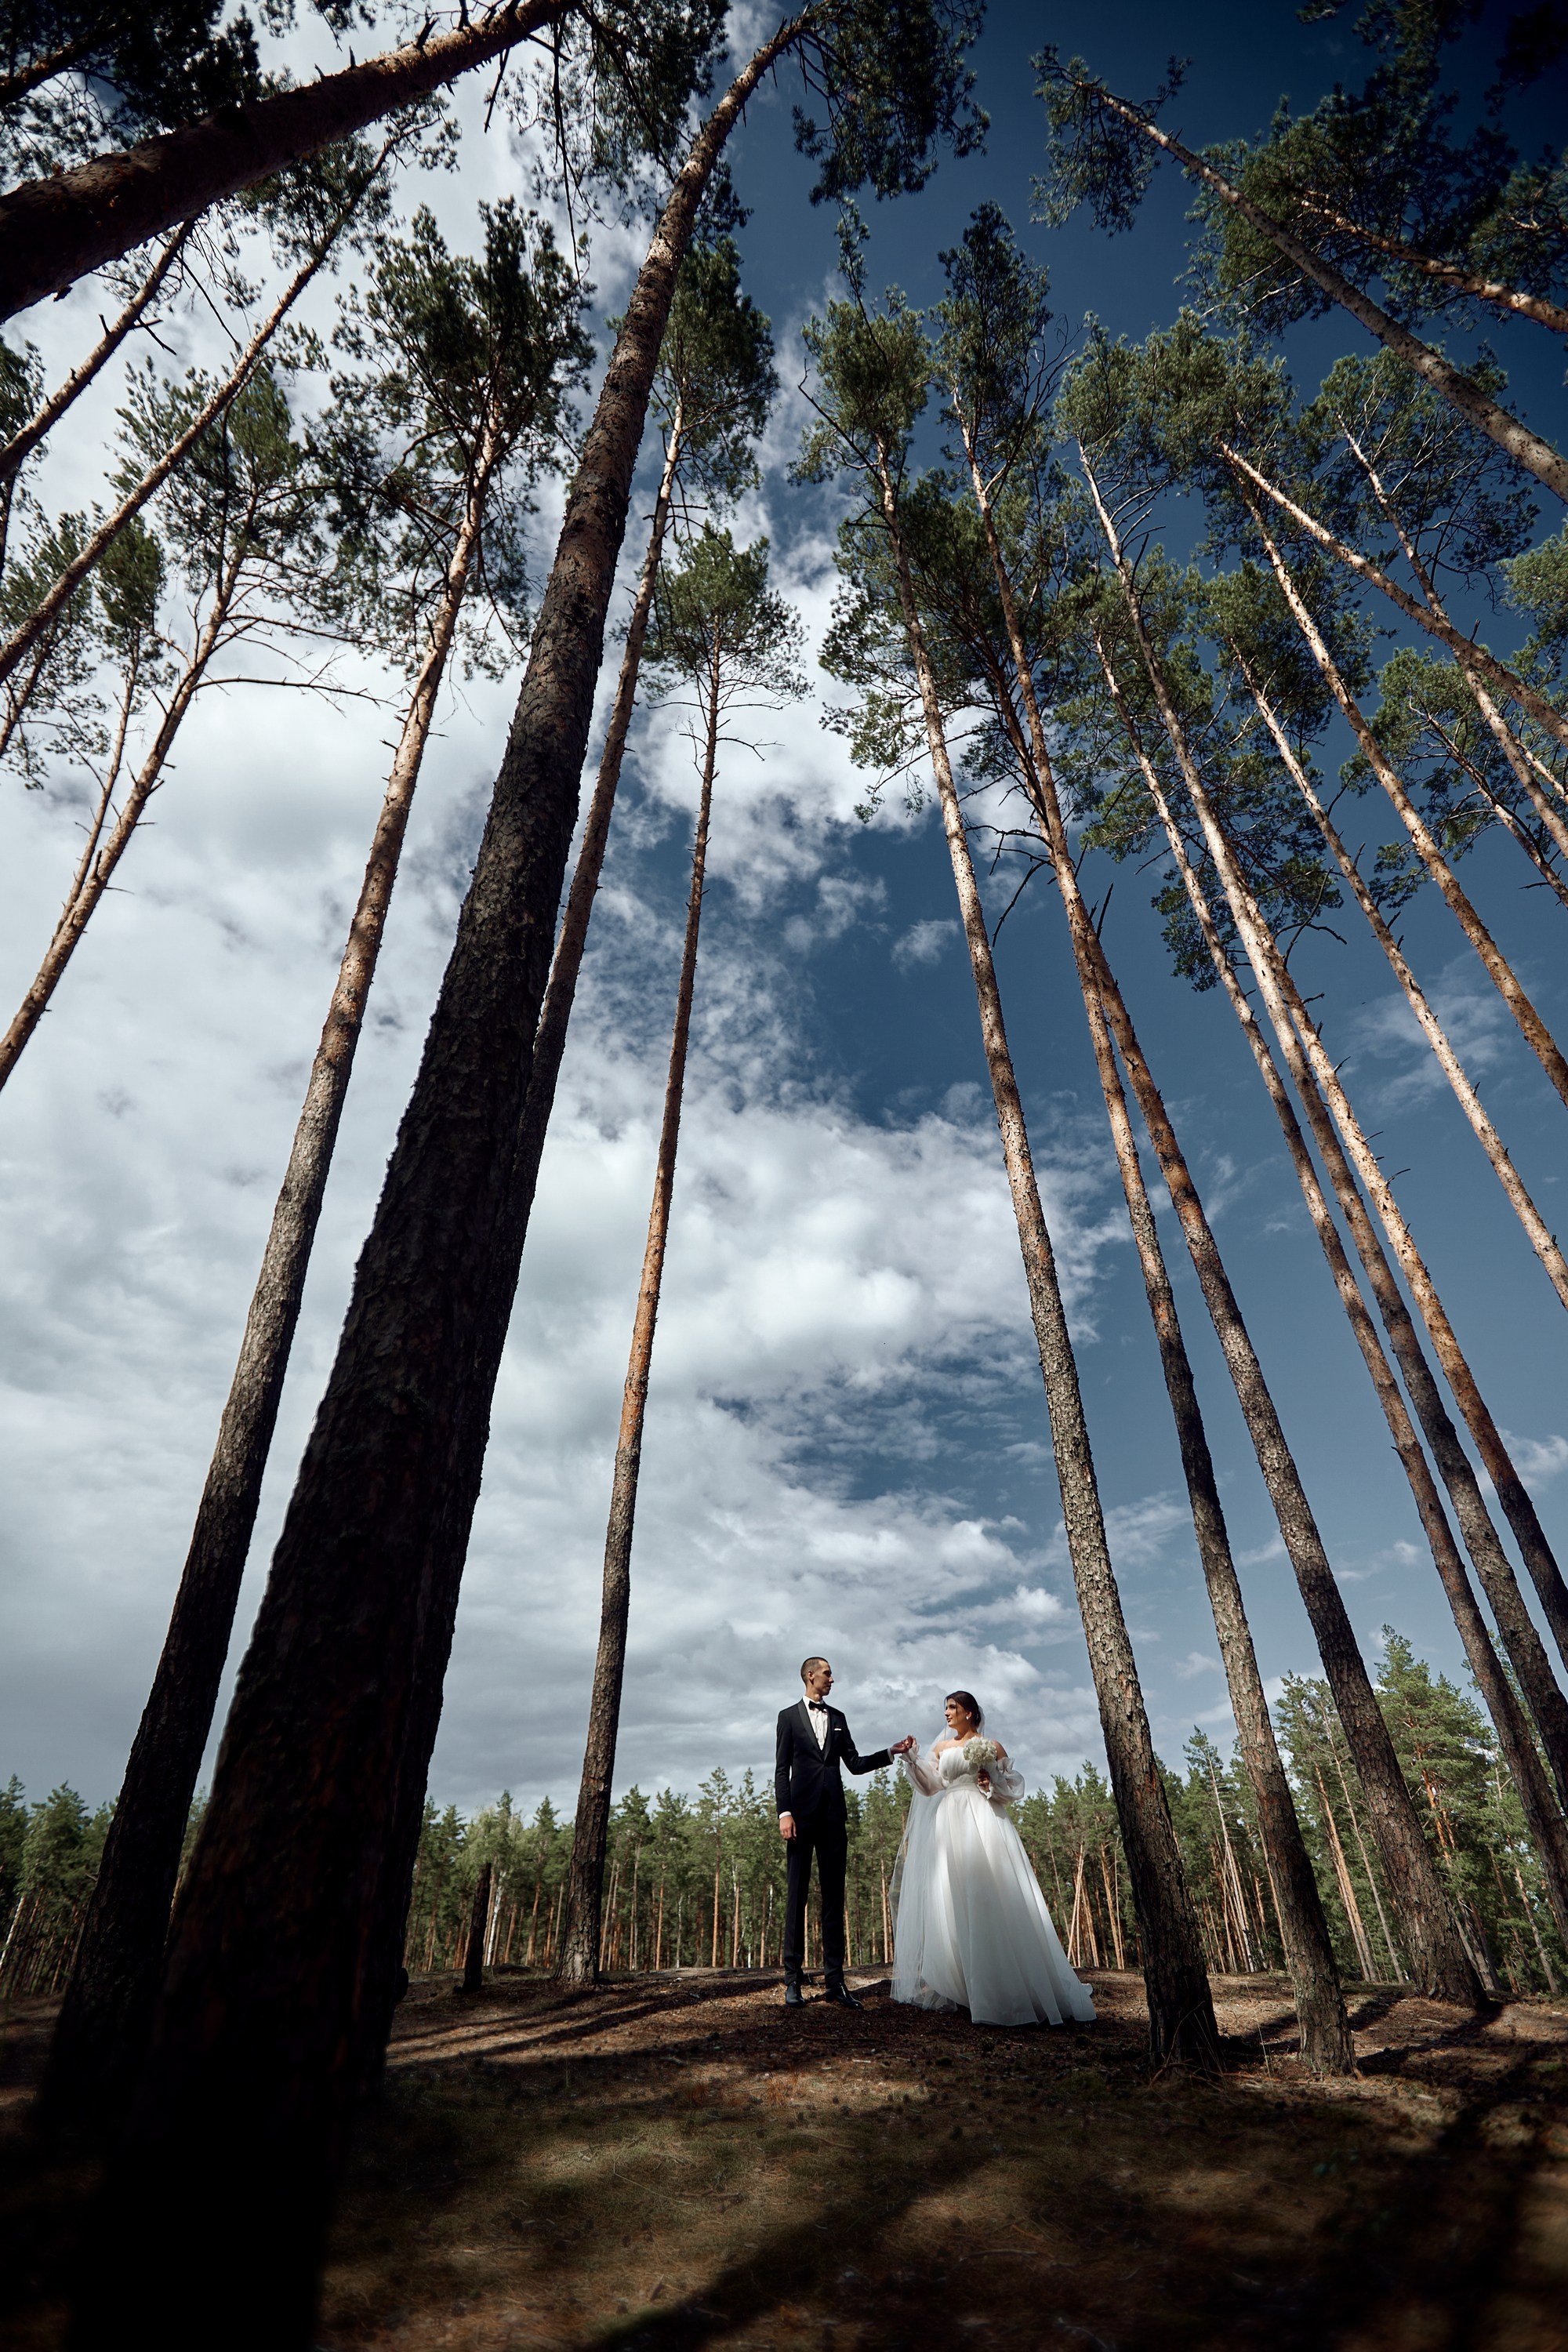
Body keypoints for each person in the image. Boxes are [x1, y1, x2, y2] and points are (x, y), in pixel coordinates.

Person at [891, 1689, 1096, 2028]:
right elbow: (930, 1786)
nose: (946, 1714)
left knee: (988, 1894)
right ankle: (966, 1986)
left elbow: (1013, 1787)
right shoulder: (941, 1749)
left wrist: (991, 1782)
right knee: (954, 1898)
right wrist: (912, 1758)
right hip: (949, 1823)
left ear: (970, 1713)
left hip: (983, 1820)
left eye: (952, 1708)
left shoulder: (993, 1746)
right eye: (945, 1709)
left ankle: (1001, 1988)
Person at [775, 1656, 916, 2009]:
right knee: (797, 1897)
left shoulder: (838, 1718)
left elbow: (853, 1765)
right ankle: (792, 1981)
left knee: (834, 1899)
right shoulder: (788, 1718)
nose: (832, 1679)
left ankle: (835, 1982)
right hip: (800, 1818)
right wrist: (785, 1812)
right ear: (810, 1676)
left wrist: (890, 1753)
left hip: (834, 1818)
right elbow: (781, 1769)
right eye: (827, 1673)